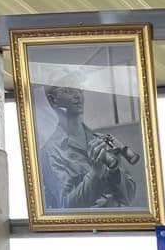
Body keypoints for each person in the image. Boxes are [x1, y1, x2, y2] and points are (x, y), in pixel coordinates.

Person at [38, 74, 139, 211]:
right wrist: (95, 173)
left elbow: (129, 196)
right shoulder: (49, 153)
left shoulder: (100, 140)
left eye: (79, 89)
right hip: (83, 229)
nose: (77, 95)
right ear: (53, 100)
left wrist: (114, 171)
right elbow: (65, 206)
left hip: (116, 223)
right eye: (68, 90)